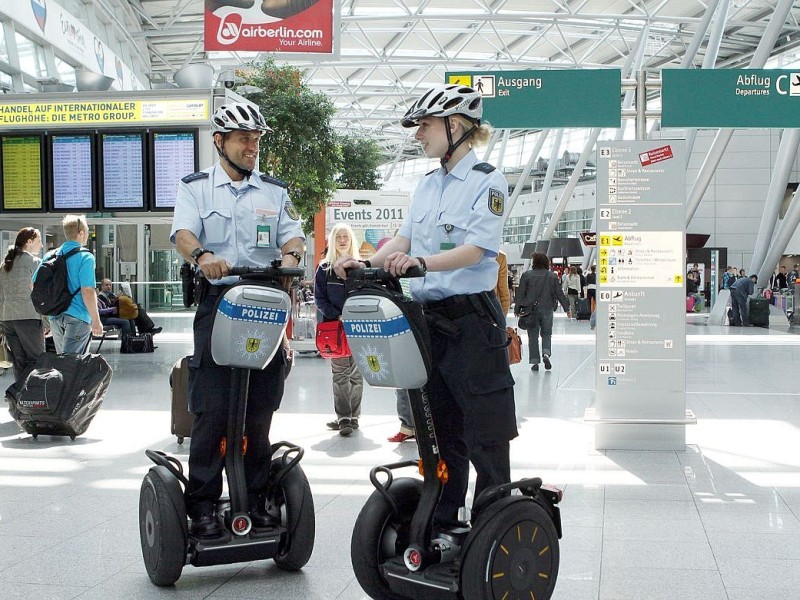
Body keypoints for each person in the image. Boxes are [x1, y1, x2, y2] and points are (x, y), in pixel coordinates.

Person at [334, 83, 517, 526]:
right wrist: (363, 263)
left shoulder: (486, 180)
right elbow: (404, 238)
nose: (418, 134)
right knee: (439, 431)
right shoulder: (427, 185)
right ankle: (444, 520)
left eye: (425, 125)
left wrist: (420, 263)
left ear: (455, 126)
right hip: (427, 323)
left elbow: (477, 250)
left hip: (472, 322)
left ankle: (494, 525)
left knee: (484, 435)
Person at [170, 102, 305, 539]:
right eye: (244, 138)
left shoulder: (273, 192)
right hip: (219, 300)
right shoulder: (196, 189)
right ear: (219, 142)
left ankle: (257, 497)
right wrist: (203, 256)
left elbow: (293, 233)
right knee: (212, 407)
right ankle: (204, 503)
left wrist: (290, 255)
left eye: (256, 139)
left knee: (260, 406)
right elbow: (183, 234)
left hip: (264, 302)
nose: (252, 147)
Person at [315, 223, 364, 437]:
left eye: (346, 236)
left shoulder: (361, 267)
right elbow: (320, 299)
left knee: (357, 374)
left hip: (359, 328)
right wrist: (338, 314)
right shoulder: (324, 270)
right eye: (338, 237)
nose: (342, 240)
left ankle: (354, 417)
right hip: (335, 329)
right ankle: (344, 418)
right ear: (333, 242)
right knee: (341, 373)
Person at [33, 215, 103, 354]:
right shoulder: (86, 256)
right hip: (78, 316)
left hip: (55, 316)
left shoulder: (50, 255)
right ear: (81, 233)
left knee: (63, 362)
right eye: (87, 231)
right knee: (73, 364)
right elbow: (87, 291)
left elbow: (34, 284)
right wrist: (96, 320)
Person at [0, 228, 46, 379]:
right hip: (29, 317)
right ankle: (36, 397)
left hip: (8, 318)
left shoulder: (4, 265)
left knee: (19, 362)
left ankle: (19, 399)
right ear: (29, 241)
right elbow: (40, 294)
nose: (42, 246)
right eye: (39, 241)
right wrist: (47, 322)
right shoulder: (35, 263)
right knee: (37, 360)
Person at [515, 252, 570, 372]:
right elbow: (559, 293)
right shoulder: (552, 276)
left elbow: (520, 293)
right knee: (546, 333)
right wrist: (567, 308)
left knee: (533, 336)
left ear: (534, 263)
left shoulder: (526, 275)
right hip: (547, 308)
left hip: (530, 310)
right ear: (546, 263)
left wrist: (517, 308)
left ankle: (534, 361)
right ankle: (546, 353)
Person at [97, 278, 162, 335]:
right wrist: (117, 298)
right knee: (132, 315)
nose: (109, 287)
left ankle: (138, 337)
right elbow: (108, 307)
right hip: (106, 317)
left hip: (115, 314)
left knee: (134, 315)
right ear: (102, 286)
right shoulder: (101, 296)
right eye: (106, 285)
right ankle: (129, 340)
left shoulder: (111, 295)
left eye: (110, 285)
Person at [494, 249, 510, 317]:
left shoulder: (462, 250)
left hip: (465, 304)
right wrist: (504, 311)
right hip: (490, 304)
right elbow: (503, 287)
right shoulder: (500, 256)